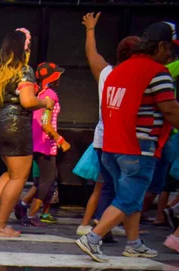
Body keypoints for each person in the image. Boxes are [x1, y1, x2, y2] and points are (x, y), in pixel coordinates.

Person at [76, 22, 179, 262]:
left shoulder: (119, 70)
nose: (171, 55)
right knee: (129, 198)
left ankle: (134, 243)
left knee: (129, 196)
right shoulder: (157, 72)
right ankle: (93, 238)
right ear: (162, 46)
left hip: (112, 146)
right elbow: (170, 110)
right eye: (170, 49)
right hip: (139, 146)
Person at [0, 28, 54, 237]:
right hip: (16, 125)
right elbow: (27, 101)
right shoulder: (24, 70)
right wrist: (45, 101)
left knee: (11, 173)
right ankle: (0, 226)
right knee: (19, 177)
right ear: (24, 48)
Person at [76, 13, 140, 238]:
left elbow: (92, 54)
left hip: (102, 138)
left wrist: (90, 30)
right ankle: (106, 224)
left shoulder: (106, 73)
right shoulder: (138, 76)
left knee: (108, 185)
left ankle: (103, 224)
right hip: (125, 141)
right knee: (127, 187)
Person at [16, 62, 71, 225]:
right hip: (45, 143)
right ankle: (32, 215)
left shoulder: (38, 93)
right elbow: (46, 123)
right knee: (47, 179)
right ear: (52, 78)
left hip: (36, 140)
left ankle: (23, 204)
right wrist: (61, 140)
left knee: (47, 178)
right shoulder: (50, 95)